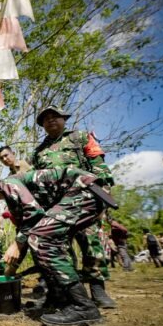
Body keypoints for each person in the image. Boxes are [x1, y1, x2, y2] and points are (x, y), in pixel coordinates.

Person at [0, 167, 114, 326]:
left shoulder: (8, 183)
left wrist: (16, 244)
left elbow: (34, 214)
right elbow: (25, 233)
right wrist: (11, 269)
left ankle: (83, 307)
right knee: (43, 242)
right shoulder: (12, 200)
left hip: (84, 190)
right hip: (86, 194)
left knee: (41, 239)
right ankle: (58, 299)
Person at [31, 105, 116, 309]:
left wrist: (103, 196)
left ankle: (97, 289)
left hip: (84, 200)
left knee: (91, 244)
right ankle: (71, 293)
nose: (51, 120)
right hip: (57, 206)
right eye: (46, 118)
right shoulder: (39, 152)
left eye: (55, 116)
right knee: (61, 248)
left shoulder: (80, 138)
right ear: (42, 125)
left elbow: (99, 166)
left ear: (64, 119)